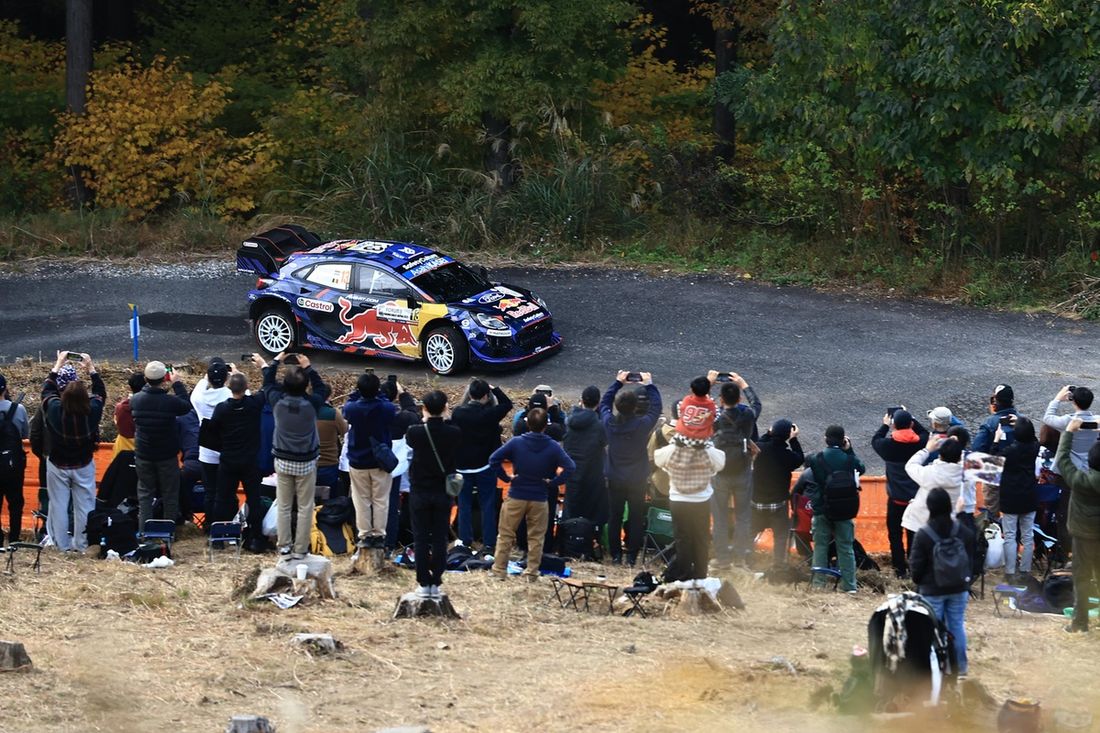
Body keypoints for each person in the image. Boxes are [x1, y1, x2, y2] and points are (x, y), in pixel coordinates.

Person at [489, 408, 575, 581]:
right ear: (546, 426)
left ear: (527, 423)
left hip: (517, 494)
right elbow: (570, 467)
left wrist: (507, 478)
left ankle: (499, 571)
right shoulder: (552, 446)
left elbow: (494, 460)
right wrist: (553, 483)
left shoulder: (517, 442)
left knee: (505, 534)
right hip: (539, 497)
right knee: (536, 538)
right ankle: (531, 573)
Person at [265, 353, 331, 559]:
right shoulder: (312, 404)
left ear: (284, 386)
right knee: (305, 507)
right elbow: (321, 389)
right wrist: (308, 367)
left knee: (283, 505)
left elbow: (268, 383)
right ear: (305, 387)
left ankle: (284, 545)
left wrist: (274, 362)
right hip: (306, 461)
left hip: (283, 460)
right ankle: (301, 548)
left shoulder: (277, 401)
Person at [908, 487, 979, 677]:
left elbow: (915, 569)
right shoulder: (961, 530)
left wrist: (921, 583)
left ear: (929, 507)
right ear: (950, 505)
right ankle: (961, 669)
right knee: (956, 626)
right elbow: (973, 548)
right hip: (959, 588)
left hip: (932, 591)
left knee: (932, 630)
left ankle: (935, 670)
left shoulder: (923, 534)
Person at [41, 352, 105, 552]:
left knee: (58, 505)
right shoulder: (92, 411)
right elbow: (101, 392)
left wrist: (58, 364)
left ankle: (61, 545)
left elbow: (46, 390)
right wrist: (91, 368)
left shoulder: (54, 409)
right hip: (83, 462)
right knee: (85, 505)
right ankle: (82, 544)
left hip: (58, 463)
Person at [654, 406, 725, 581]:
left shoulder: (674, 448)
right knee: (701, 537)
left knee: (682, 537)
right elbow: (720, 463)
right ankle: (701, 573)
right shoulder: (707, 449)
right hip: (701, 499)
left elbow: (658, 458)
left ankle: (683, 573)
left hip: (678, 499)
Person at [600, 371, 662, 566]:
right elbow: (656, 408)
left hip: (615, 477)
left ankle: (616, 554)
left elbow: (603, 404)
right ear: (635, 407)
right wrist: (650, 384)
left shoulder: (609, 423)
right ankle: (632, 555)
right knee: (636, 517)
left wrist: (617, 382)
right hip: (637, 479)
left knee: (615, 516)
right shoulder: (642, 425)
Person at [404, 390, 461, 599]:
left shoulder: (415, 432)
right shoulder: (454, 433)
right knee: (439, 537)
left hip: (420, 491)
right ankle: (436, 580)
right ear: (446, 408)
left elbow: (411, 441)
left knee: (420, 538)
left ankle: (422, 581)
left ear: (424, 409)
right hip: (442, 491)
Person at [209, 363, 269, 551]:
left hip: (228, 459)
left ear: (228, 387)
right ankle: (256, 538)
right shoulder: (254, 405)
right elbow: (267, 387)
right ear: (247, 387)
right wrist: (265, 365)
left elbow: (212, 430)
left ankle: (218, 538)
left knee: (222, 498)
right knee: (254, 499)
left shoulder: (221, 409)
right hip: (250, 460)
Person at [450, 379, 513, 555]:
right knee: (488, 504)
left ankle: (465, 540)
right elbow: (507, 403)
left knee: (464, 504)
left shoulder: (458, 413)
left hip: (462, 467)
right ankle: (489, 543)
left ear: (470, 394)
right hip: (484, 466)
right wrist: (496, 389)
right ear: (486, 396)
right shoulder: (490, 414)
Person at [130, 360, 192, 533]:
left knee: (145, 496)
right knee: (170, 494)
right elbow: (186, 406)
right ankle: (168, 533)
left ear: (145, 378)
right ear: (164, 379)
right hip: (166, 455)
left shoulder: (135, 400)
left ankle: (144, 534)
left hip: (143, 454)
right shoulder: (169, 402)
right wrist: (177, 383)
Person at [710, 371, 762, 568]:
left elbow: (699, 406)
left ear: (721, 399)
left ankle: (722, 559)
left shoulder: (715, 417)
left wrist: (709, 382)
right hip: (742, 470)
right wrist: (744, 384)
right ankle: (740, 558)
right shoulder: (747, 415)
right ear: (739, 398)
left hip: (720, 472)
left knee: (720, 517)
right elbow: (757, 404)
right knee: (743, 517)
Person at [1054, 417, 1100, 633]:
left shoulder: (1079, 480)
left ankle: (1080, 623)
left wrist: (1069, 432)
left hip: (1083, 536)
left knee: (1081, 579)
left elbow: (1062, 459)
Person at [807, 425, 865, 593]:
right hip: (844, 509)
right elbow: (860, 469)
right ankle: (849, 586)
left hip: (822, 508)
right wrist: (849, 451)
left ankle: (819, 584)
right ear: (843, 440)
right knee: (846, 547)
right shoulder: (848, 459)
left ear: (826, 439)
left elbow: (814, 476)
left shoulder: (817, 459)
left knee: (820, 546)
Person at [871, 409, 929, 578]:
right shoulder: (920, 444)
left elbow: (875, 439)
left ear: (893, 425)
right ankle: (913, 565)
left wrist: (884, 425)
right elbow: (924, 432)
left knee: (895, 535)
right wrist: (911, 417)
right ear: (910, 424)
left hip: (895, 500)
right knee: (913, 534)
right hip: (916, 501)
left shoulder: (887, 446)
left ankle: (899, 569)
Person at [343, 372, 398, 549]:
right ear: (377, 390)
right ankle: (379, 534)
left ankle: (365, 534)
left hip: (358, 460)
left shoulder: (351, 409)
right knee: (381, 499)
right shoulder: (386, 408)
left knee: (361, 499)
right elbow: (387, 403)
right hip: (380, 461)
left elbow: (350, 402)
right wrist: (380, 392)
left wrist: (357, 391)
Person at [992, 416, 1040, 582]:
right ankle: (1025, 571)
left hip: (1010, 497)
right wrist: (1022, 422)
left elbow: (993, 461)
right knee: (1028, 535)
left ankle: (1010, 572)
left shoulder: (1009, 451)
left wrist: (996, 440)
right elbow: (1034, 438)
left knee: (1010, 536)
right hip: (1029, 496)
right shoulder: (1034, 447)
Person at [751, 419, 804, 566]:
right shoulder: (787, 456)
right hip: (778, 504)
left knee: (750, 533)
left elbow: (757, 443)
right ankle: (779, 565)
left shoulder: (760, 448)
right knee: (781, 536)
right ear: (788, 435)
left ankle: (746, 561)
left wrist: (769, 433)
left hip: (756, 503)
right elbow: (800, 458)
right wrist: (794, 440)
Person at [381, 378, 420, 554]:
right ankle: (389, 544)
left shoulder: (367, 412)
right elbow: (413, 412)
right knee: (391, 505)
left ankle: (368, 539)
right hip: (395, 467)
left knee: (369, 504)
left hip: (370, 465)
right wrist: (403, 393)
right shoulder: (401, 417)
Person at [191, 357, 231, 528]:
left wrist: (208, 376)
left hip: (207, 448)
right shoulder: (231, 397)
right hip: (228, 447)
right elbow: (246, 394)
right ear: (226, 378)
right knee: (227, 491)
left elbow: (200, 386)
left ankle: (209, 526)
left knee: (210, 491)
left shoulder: (198, 398)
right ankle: (227, 525)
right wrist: (233, 374)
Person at [901, 434, 965, 538]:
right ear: (959, 457)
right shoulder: (963, 475)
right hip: (947, 527)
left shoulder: (929, 473)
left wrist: (927, 450)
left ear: (940, 455)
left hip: (919, 524)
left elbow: (910, 465)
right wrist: (954, 446)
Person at [561, 386, 608, 526]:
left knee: (571, 510)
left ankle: (568, 540)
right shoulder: (599, 427)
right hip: (592, 475)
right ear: (598, 403)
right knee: (592, 512)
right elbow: (605, 441)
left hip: (572, 472)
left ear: (581, 400)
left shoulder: (569, 421)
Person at [0, 373, 29, 547]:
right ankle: (15, 539)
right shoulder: (18, 409)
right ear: (5, 389)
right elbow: (25, 434)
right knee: (16, 502)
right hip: (13, 464)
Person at [972, 384, 1018, 454]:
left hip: (997, 463)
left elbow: (976, 450)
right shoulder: (1023, 421)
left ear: (994, 401)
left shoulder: (989, 423)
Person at [315, 398, 348, 492]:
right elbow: (344, 431)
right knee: (331, 500)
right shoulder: (332, 413)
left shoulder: (303, 411)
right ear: (328, 396)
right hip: (329, 463)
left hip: (306, 464)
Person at [111, 372, 145, 457]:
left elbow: (116, 421)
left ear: (129, 387)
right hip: (145, 448)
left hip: (123, 449)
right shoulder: (152, 407)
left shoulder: (120, 408)